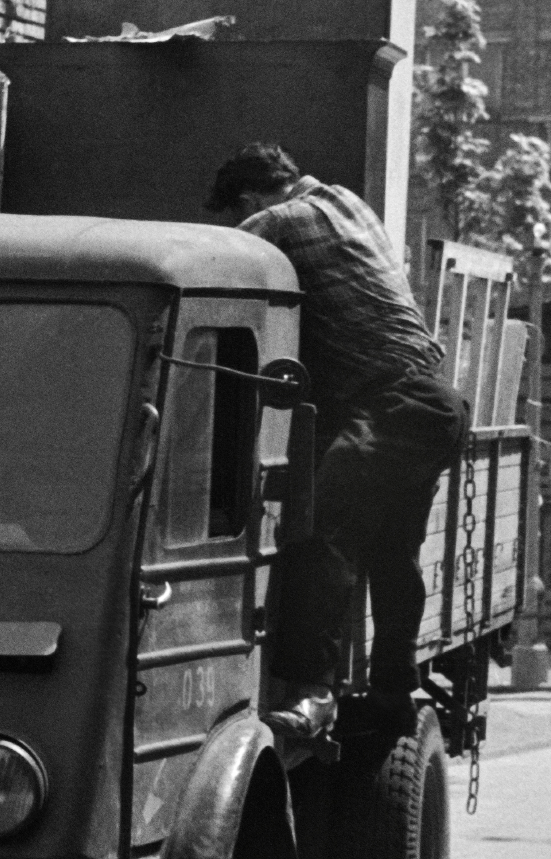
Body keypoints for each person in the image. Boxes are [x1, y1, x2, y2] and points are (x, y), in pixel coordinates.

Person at [209, 143, 467, 739]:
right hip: (435, 400)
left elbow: (215, 258)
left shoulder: (279, 221)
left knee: (321, 532)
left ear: (249, 199)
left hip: (394, 403)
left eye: (240, 209)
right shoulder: (347, 202)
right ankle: (392, 689)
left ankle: (314, 690)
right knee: (392, 553)